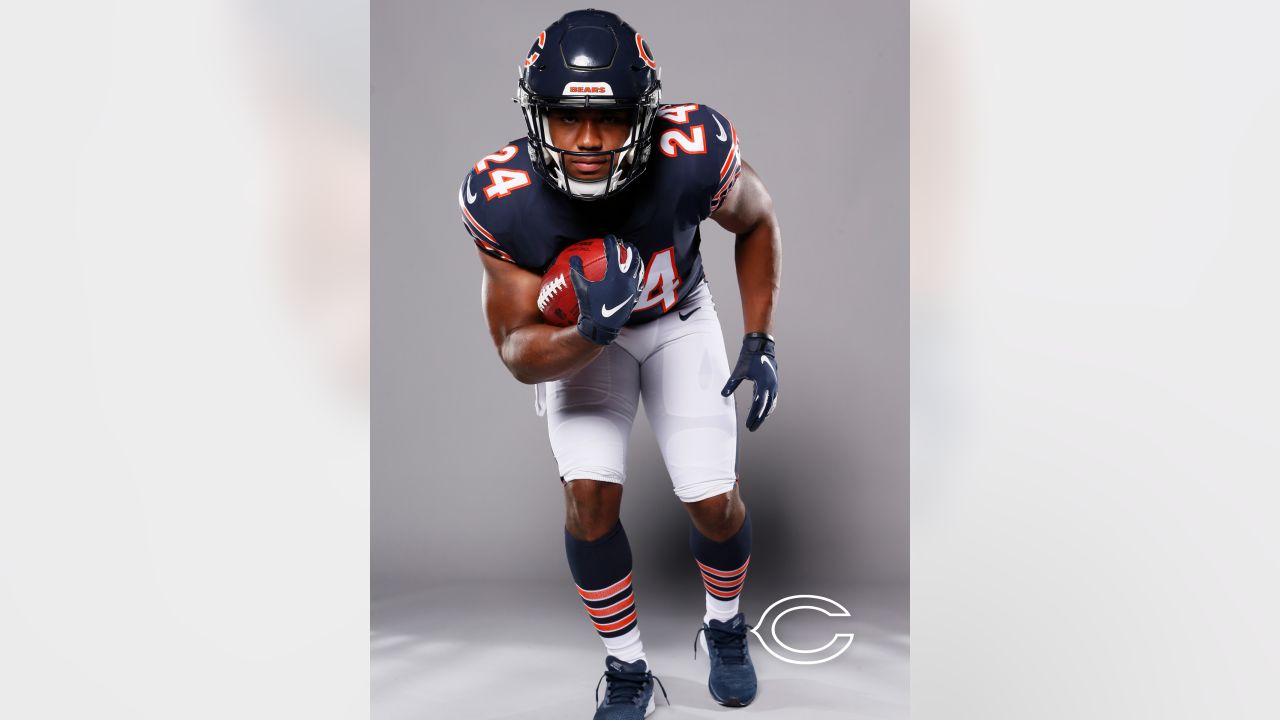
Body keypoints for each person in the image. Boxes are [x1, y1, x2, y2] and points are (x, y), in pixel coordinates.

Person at [458, 10, 781, 719]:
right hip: (583, 339)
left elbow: (756, 218)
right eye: (566, 116)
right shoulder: (501, 197)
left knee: (715, 503)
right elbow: (517, 349)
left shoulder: (692, 151)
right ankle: (627, 667)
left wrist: (759, 337)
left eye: (608, 118)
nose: (587, 140)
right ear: (535, 113)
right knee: (589, 502)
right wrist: (587, 332)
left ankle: (725, 626)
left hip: (676, 320)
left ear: (646, 114)